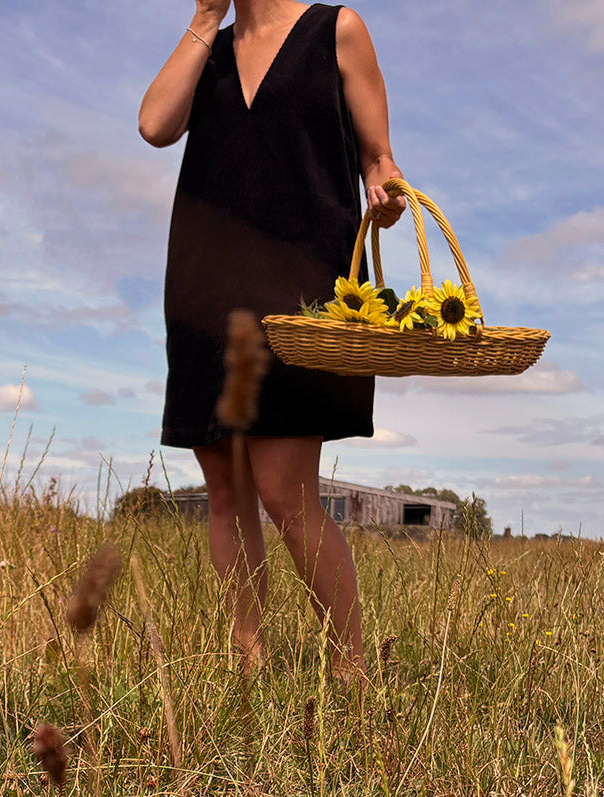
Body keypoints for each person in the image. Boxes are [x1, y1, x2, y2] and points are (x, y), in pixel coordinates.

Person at [139, 1, 404, 679]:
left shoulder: (335, 29)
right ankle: (247, 663)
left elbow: (380, 161)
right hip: (205, 287)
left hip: (304, 289)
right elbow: (153, 126)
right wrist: (203, 21)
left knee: (287, 493)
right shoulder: (213, 50)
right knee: (225, 491)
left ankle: (352, 670)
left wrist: (389, 194)